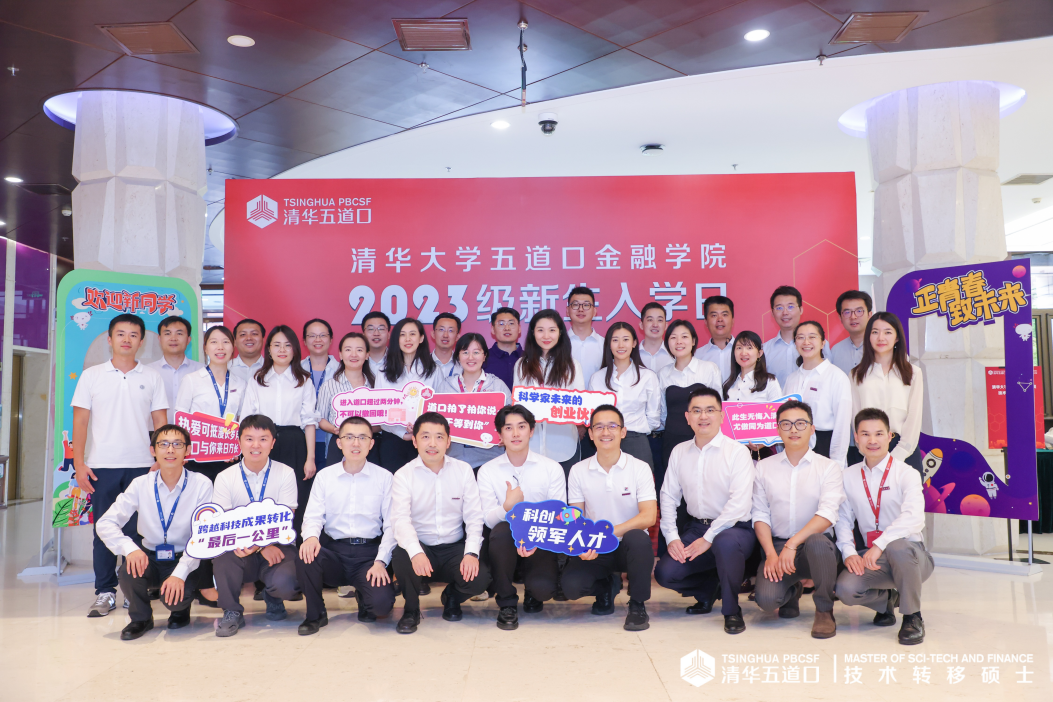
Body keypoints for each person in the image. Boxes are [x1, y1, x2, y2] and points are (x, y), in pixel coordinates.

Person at [72, 313, 170, 618]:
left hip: (143, 466)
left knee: (138, 531)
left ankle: (133, 590)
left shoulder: (152, 377)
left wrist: (160, 459)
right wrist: (79, 462)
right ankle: (105, 591)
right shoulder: (92, 376)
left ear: (141, 341)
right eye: (121, 334)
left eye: (133, 335)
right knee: (104, 530)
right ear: (109, 339)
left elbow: (160, 422)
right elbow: (80, 421)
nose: (127, 339)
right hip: (102, 465)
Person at [97, 425, 213, 639]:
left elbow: (203, 536)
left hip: (185, 557)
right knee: (128, 570)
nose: (170, 450)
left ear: (187, 450)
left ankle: (180, 610)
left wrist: (179, 574)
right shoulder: (140, 484)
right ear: (153, 450)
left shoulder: (201, 484)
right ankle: (141, 618)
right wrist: (130, 549)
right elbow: (105, 523)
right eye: (163, 444)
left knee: (175, 599)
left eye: (177, 444)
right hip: (149, 556)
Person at [654, 387, 755, 634]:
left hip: (735, 529)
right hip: (697, 526)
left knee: (725, 543)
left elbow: (739, 504)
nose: (703, 416)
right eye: (696, 411)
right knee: (665, 573)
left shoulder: (737, 451)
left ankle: (732, 610)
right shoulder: (680, 451)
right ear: (687, 417)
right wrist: (672, 537)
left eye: (710, 410)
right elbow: (668, 496)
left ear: (721, 415)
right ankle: (709, 589)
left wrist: (709, 538)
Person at [835, 408, 932, 645]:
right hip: (874, 559)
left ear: (890, 436)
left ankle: (912, 616)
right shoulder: (848, 476)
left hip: (911, 557)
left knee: (898, 546)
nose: (872, 440)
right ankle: (886, 601)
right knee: (846, 589)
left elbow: (914, 517)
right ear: (856, 438)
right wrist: (849, 552)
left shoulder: (906, 473)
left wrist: (880, 544)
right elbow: (842, 519)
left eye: (879, 434)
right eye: (865, 434)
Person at [390, 412, 490, 634]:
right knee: (401, 554)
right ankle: (411, 610)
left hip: (453, 547)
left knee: (481, 578)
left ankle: (452, 597)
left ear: (448, 441)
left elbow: (474, 516)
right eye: (425, 437)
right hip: (422, 546)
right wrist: (416, 552)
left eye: (439, 437)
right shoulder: (403, 475)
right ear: (415, 441)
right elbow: (400, 520)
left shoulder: (463, 470)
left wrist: (471, 553)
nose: (432, 444)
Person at [295, 416, 397, 635]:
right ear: (339, 442)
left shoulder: (385, 478)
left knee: (381, 606)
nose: (355, 443)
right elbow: (313, 516)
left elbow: (391, 525)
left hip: (369, 555)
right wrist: (310, 537)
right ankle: (315, 614)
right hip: (334, 553)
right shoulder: (325, 477)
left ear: (371, 443)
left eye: (362, 438)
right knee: (306, 554)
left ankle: (364, 596)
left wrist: (381, 561)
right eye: (349, 437)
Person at [752, 400, 845, 639]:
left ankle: (824, 610)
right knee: (766, 600)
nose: (793, 429)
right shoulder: (763, 468)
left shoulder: (828, 467)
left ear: (812, 429)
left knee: (817, 542)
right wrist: (771, 553)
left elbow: (827, 514)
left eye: (800, 423)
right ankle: (791, 591)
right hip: (778, 547)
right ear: (777, 429)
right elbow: (760, 514)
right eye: (786, 424)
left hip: (816, 549)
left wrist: (793, 543)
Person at [562, 405, 657, 631]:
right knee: (570, 587)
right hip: (596, 546)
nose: (606, 432)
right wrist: (582, 543)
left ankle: (637, 605)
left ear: (623, 432)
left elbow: (649, 516)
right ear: (590, 433)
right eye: (599, 427)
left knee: (638, 538)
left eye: (612, 426)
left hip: (630, 548)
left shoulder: (639, 468)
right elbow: (575, 517)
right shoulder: (578, 470)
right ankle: (606, 586)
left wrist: (611, 531)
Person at [476, 405, 565, 630]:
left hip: (541, 537)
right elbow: (488, 520)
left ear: (531, 431)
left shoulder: (551, 468)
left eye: (521, 427)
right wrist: (508, 507)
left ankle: (533, 590)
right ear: (499, 434)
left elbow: (559, 516)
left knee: (543, 589)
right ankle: (506, 602)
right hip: (504, 541)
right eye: (508, 428)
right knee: (501, 531)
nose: (515, 434)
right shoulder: (487, 470)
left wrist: (533, 537)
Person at [211, 415, 300, 637]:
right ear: (239, 441)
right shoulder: (225, 477)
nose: (256, 445)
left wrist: (263, 545)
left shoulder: (285, 473)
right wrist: (260, 546)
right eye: (249, 439)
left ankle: (274, 596)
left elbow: (285, 517)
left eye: (263, 439)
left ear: (273, 443)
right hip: (238, 545)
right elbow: (224, 523)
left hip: (277, 544)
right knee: (222, 556)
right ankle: (232, 610)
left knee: (287, 582)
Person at [242, 325, 319, 535]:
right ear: (268, 349)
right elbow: (247, 419)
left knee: (296, 495)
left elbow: (309, 422)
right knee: (263, 491)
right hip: (262, 442)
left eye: (287, 345)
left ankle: (293, 543)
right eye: (277, 345)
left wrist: (310, 458)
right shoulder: (258, 379)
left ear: (295, 349)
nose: (282, 350)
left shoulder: (303, 380)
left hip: (295, 443)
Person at [849, 312, 924, 474]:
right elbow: (855, 416)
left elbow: (914, 417)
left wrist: (898, 454)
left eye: (888, 332)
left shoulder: (913, 373)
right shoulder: (856, 374)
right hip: (868, 450)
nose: (881, 337)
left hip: (904, 450)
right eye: (875, 332)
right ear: (868, 337)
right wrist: (867, 451)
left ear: (897, 338)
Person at [514, 309, 586, 474]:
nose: (546, 336)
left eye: (552, 330)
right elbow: (518, 406)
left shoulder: (572, 366)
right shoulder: (522, 365)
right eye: (540, 330)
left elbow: (579, 404)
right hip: (529, 445)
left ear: (560, 333)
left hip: (564, 445)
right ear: (533, 333)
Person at [175, 326, 248, 482]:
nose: (220, 347)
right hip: (197, 456)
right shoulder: (191, 380)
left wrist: (237, 448)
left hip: (229, 456)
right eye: (214, 342)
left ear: (233, 347)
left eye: (226, 342)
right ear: (205, 348)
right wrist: (182, 449)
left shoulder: (240, 383)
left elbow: (242, 421)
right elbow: (181, 420)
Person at [589, 322, 661, 469]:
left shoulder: (647, 376)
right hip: (605, 440)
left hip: (637, 441)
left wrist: (636, 428)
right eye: (615, 340)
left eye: (626, 339)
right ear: (609, 344)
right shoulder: (597, 378)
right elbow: (592, 414)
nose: (621, 345)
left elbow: (654, 417)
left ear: (634, 343)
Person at [376, 318, 442, 472]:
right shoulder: (383, 372)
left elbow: (439, 407)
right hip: (392, 440)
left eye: (412, 334)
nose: (407, 339)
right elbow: (380, 411)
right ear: (396, 339)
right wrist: (401, 433)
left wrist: (419, 430)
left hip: (426, 439)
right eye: (402, 334)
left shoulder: (434, 370)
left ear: (421, 338)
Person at [782, 321, 852, 466]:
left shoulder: (836, 377)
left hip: (824, 446)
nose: (806, 342)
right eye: (800, 337)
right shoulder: (791, 379)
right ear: (795, 343)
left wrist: (837, 463)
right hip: (794, 448)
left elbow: (842, 424)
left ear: (822, 343)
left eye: (812, 337)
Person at [657, 320, 722, 474]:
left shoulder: (709, 369)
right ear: (667, 343)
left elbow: (718, 408)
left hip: (704, 439)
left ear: (693, 341)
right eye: (673, 337)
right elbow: (662, 412)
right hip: (672, 440)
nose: (679, 342)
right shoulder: (663, 374)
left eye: (684, 337)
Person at [442, 333, 512, 469]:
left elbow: (510, 420)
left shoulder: (498, 386)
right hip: (453, 460)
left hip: (490, 461)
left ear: (484, 356)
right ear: (458, 356)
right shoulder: (446, 386)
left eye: (476, 352)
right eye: (465, 352)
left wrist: (505, 435)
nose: (470, 357)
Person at [316, 332, 377, 467]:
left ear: (367, 355)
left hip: (369, 445)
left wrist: (370, 429)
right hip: (338, 444)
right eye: (348, 350)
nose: (353, 355)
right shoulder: (329, 386)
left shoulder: (376, 386)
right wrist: (335, 429)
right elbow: (320, 418)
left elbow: (383, 421)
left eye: (359, 350)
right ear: (341, 354)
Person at [763, 286, 828, 387]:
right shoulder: (765, 350)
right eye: (779, 308)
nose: (785, 312)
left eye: (790, 307)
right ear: (772, 313)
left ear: (801, 310)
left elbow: (828, 376)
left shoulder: (818, 344)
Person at [148, 315, 202, 423]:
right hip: (156, 431)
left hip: (192, 431)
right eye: (167, 333)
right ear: (159, 339)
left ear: (188, 339)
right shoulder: (148, 372)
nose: (173, 338)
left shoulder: (202, 371)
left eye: (179, 333)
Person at [301, 318, 340, 467]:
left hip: (331, 439)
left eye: (323, 335)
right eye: (312, 336)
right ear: (304, 341)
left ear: (331, 340)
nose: (318, 340)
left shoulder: (341, 371)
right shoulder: (295, 370)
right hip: (302, 440)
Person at [723, 331, 783, 402]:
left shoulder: (769, 381)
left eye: (749, 348)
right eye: (739, 348)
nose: (743, 353)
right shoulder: (728, 385)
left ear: (759, 353)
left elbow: (779, 408)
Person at [566, 286, 604, 385]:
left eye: (586, 305)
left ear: (594, 311)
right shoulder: (558, 344)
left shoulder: (605, 345)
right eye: (575, 305)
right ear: (567, 311)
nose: (581, 309)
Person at [829, 291, 873, 376]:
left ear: (869, 315)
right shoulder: (835, 351)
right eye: (847, 312)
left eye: (859, 311)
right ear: (840, 318)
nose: (853, 317)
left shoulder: (881, 346)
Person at [694, 295, 735, 383]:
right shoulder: (697, 357)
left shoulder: (746, 353)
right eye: (714, 315)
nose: (720, 319)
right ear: (706, 322)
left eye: (724, 315)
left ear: (732, 320)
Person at [483, 306, 523, 391]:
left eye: (511, 323)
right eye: (501, 324)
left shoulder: (530, 358)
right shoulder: (483, 358)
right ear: (493, 329)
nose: (507, 328)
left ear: (519, 328)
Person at [638, 302, 673, 374]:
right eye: (650, 320)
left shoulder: (674, 354)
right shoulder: (632, 355)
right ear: (641, 325)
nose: (655, 325)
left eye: (659, 320)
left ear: (666, 325)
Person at [229, 318, 265, 385]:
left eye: (254, 334)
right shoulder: (226, 368)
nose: (249, 338)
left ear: (263, 340)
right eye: (243, 334)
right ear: (235, 342)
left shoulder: (273, 368)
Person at [431, 312, 461, 379]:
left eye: (451, 330)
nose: (445, 335)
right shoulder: (420, 365)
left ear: (457, 337)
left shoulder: (463, 366)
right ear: (433, 334)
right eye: (441, 329)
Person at [361, 311, 391, 377]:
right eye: (371, 329)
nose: (376, 333)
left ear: (388, 334)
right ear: (363, 335)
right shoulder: (357, 360)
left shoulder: (398, 360)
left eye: (381, 329)